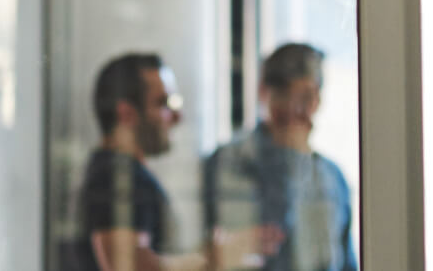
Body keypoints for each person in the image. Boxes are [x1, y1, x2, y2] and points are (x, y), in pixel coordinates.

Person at [74, 53, 270, 271]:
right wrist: (210, 259)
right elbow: (128, 266)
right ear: (126, 113)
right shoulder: (114, 176)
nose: (177, 117)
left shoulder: (122, 174)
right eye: (164, 103)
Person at [204, 43, 358, 271]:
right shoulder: (225, 165)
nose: (296, 110)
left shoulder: (332, 179)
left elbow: (345, 262)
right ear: (264, 93)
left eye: (307, 98)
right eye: (288, 96)